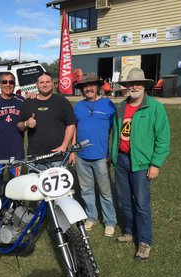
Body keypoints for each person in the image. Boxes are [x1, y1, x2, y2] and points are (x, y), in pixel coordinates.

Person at [111, 68, 170, 261]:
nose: (134, 86)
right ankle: (129, 231)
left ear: (144, 86)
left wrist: (156, 164)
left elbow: (163, 138)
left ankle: (144, 242)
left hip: (142, 163)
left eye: (138, 83)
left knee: (142, 204)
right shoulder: (120, 107)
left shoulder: (154, 107)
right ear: (126, 87)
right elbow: (115, 133)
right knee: (125, 201)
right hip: (121, 159)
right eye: (131, 83)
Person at [69, 72, 117, 237]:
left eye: (91, 85)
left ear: (97, 87)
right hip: (82, 156)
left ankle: (110, 221)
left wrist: (111, 152)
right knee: (86, 190)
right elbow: (74, 128)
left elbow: (114, 131)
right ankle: (91, 216)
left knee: (105, 191)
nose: (88, 88)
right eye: (85, 86)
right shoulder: (78, 106)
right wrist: (73, 151)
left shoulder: (108, 105)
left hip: (101, 156)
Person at [17, 72, 75, 170]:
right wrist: (27, 123)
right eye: (42, 82)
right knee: (35, 185)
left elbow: (71, 125)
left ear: (53, 83)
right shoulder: (28, 103)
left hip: (58, 157)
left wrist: (64, 146)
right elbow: (19, 125)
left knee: (57, 186)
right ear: (37, 84)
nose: (45, 85)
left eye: (48, 82)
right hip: (34, 159)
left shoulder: (62, 101)